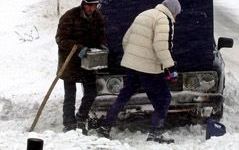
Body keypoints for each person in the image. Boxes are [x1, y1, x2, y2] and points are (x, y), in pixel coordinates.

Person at [97, 0, 181, 143]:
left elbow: (126, 39)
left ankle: (105, 127)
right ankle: (155, 134)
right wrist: (170, 67)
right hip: (149, 69)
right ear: (172, 10)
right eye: (176, 13)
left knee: (124, 96)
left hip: (132, 66)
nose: (176, 17)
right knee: (164, 98)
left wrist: (133, 58)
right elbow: (161, 46)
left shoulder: (144, 14)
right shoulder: (163, 19)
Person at [55, 0, 107, 134]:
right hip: (70, 62)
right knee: (70, 95)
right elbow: (60, 38)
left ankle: (81, 117)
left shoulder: (98, 17)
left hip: (88, 62)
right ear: (83, 4)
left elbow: (101, 35)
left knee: (91, 92)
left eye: (94, 6)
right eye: (89, 5)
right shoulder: (69, 16)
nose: (91, 9)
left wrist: (101, 45)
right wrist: (78, 48)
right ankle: (69, 123)